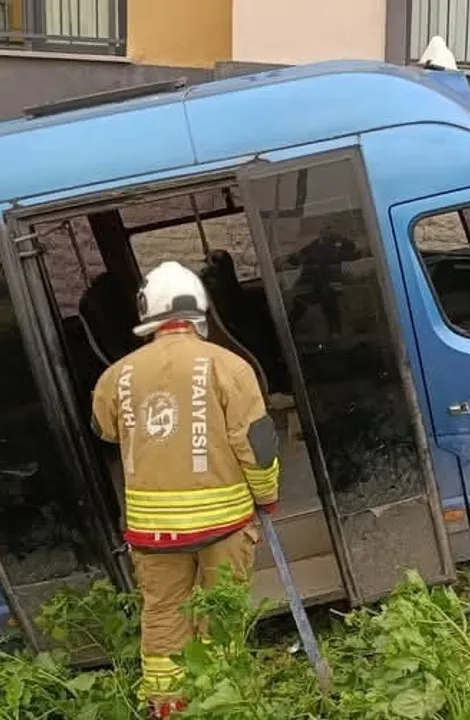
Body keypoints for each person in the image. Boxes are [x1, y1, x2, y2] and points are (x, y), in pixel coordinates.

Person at [90, 261, 280, 718]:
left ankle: (168, 707)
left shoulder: (116, 376)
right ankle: (219, 700)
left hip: (153, 533)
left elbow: (104, 430)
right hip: (224, 525)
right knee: (221, 614)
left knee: (162, 617)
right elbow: (256, 444)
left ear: (148, 313)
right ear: (199, 311)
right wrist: (267, 495)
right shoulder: (228, 365)